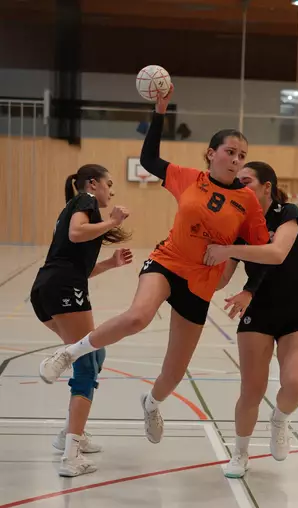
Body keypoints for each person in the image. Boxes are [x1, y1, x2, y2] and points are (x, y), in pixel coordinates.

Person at [38, 84, 270, 447]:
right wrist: (160, 112)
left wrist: (245, 282)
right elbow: (148, 160)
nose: (236, 160)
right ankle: (68, 353)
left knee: (174, 371)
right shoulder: (188, 178)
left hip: (201, 282)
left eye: (242, 155)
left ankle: (151, 403)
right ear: (212, 153)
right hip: (167, 261)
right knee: (137, 317)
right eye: (230, 152)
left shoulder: (248, 202)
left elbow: (262, 251)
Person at [205, 162, 298, 478]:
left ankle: (279, 419)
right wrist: (193, 268)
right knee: (251, 390)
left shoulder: (288, 214)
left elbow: (277, 253)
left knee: (295, 384)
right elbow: (221, 279)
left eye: (247, 181)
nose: (240, 187)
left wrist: (229, 250)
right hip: (258, 313)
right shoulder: (237, 225)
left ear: (267, 187)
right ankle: (240, 453)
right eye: (237, 182)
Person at [31, 164, 132, 477]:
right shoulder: (85, 201)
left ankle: (69, 434)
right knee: (87, 365)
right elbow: (76, 234)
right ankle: (70, 455)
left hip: (47, 288)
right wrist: (113, 221)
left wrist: (110, 263)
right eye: (108, 183)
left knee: (95, 354)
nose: (111, 190)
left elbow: (77, 265)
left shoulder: (79, 209)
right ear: (92, 183)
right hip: (63, 288)